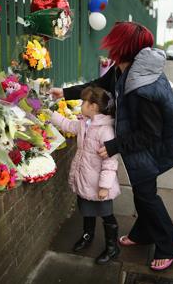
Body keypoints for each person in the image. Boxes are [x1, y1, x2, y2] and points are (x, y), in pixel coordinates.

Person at [50, 21, 173, 271]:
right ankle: (144, 233)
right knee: (142, 190)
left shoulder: (143, 87)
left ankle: (170, 246)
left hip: (163, 145)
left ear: (123, 47)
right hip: (146, 141)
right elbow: (97, 85)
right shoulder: (123, 68)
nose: (108, 44)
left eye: (113, 41)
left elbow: (150, 134)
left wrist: (115, 145)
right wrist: (64, 92)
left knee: (147, 196)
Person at [50, 86, 121, 264]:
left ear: (94, 106)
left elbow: (110, 161)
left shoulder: (105, 130)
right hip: (85, 178)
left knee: (106, 214)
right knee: (87, 210)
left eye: (84, 102)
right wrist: (51, 116)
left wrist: (104, 186)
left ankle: (112, 247)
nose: (81, 104)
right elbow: (69, 125)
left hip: (99, 183)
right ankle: (87, 236)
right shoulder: (84, 123)